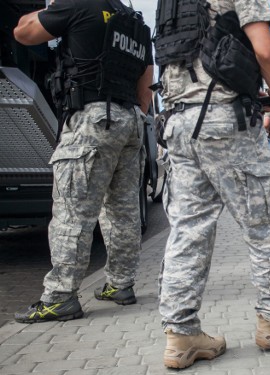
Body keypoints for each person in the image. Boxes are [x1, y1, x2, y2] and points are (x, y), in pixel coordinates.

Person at [154, 0, 270, 369]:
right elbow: (265, 49)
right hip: (227, 120)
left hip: (178, 123)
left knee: (188, 230)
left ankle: (181, 335)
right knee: (267, 224)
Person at [13, 0, 154, 323]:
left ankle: (60, 296)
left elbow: (23, 33)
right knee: (122, 210)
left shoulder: (78, 5)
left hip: (92, 117)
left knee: (73, 210)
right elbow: (146, 79)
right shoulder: (133, 20)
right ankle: (120, 284)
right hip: (129, 118)